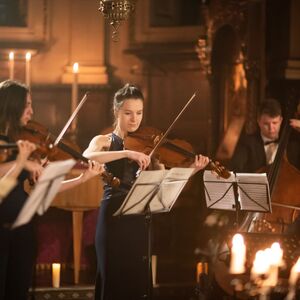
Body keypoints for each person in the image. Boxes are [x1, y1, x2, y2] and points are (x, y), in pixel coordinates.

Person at [83, 83, 209, 300]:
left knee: (137, 285)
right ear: (116, 112)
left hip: (139, 220)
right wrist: (127, 153)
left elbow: (165, 184)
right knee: (112, 282)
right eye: (128, 113)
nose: (135, 119)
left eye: (139, 113)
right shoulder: (103, 141)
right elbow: (88, 156)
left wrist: (192, 170)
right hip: (112, 219)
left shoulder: (148, 147)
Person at [0, 79, 103, 300]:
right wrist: (22, 162)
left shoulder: (22, 143)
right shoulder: (5, 146)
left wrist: (85, 177)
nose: (32, 111)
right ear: (12, 106)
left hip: (23, 229)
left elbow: (48, 188)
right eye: (26, 105)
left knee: (18, 292)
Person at [230, 98, 300, 173]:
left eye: (275, 123)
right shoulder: (247, 143)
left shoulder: (293, 142)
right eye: (266, 124)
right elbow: (235, 169)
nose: (271, 128)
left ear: (281, 120)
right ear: (258, 121)